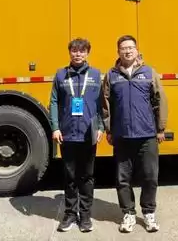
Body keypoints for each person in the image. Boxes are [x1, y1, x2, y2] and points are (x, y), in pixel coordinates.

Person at [100, 35, 168, 233]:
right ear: (118, 52)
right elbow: (105, 104)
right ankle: (128, 213)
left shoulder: (149, 72)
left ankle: (149, 212)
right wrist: (109, 129)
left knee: (150, 176)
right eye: (123, 48)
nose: (127, 51)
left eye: (131, 47)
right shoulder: (112, 75)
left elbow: (160, 99)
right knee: (122, 179)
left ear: (137, 50)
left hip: (147, 135)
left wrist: (160, 128)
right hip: (122, 136)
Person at [49, 37, 104, 233]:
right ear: (69, 53)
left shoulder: (96, 74)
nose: (78, 54)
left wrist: (101, 127)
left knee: (87, 176)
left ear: (87, 53)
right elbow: (54, 101)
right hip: (67, 134)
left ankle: (85, 215)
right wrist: (55, 127)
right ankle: (70, 214)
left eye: (82, 51)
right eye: (74, 50)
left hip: (88, 134)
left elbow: (101, 104)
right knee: (70, 176)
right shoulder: (60, 74)